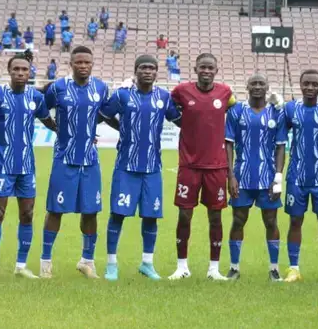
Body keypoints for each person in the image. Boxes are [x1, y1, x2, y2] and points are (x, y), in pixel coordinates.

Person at [99, 55, 182, 281]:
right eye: (143, 67)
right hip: (126, 167)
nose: (148, 71)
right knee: (118, 214)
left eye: (152, 68)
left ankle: (147, 263)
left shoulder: (163, 97)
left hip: (152, 168)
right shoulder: (122, 95)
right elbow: (103, 115)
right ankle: (111, 265)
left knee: (151, 216)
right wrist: (121, 127)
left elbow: (180, 120)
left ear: (156, 72)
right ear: (135, 71)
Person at [0, 54, 55, 279]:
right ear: (9, 71)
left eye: (25, 69)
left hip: (27, 166)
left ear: (30, 71)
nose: (21, 73)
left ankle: (21, 266)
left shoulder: (36, 98)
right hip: (2, 165)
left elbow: (49, 122)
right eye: (16, 69)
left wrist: (73, 135)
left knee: (28, 214)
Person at [40, 46, 110, 279]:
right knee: (55, 210)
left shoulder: (100, 88)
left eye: (87, 62)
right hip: (64, 159)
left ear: (92, 64)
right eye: (78, 62)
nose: (83, 66)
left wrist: (88, 130)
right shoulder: (58, 87)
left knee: (91, 211)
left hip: (90, 160)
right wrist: (55, 127)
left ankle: (87, 261)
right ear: (70, 64)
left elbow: (104, 113)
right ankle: (45, 262)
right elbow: (41, 108)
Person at [168, 53, 235, 281]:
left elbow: (236, 111)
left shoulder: (225, 92)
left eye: (210, 68)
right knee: (184, 215)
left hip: (216, 166)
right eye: (202, 67)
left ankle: (213, 269)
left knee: (215, 217)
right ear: (195, 69)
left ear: (216, 70)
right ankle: (182, 267)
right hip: (189, 165)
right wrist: (182, 122)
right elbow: (168, 108)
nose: (206, 71)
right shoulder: (181, 91)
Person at [280, 70, 318, 284]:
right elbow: (281, 134)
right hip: (296, 176)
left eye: (314, 84)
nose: (310, 87)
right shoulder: (291, 109)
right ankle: (294, 269)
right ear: (300, 85)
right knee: (295, 221)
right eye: (306, 83)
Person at [224, 73, 286, 281]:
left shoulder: (276, 113)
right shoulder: (236, 111)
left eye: (261, 84)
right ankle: (234, 268)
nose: (257, 87)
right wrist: (230, 175)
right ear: (247, 87)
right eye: (254, 84)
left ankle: (274, 269)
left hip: (267, 178)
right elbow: (228, 144)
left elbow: (280, 147)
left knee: (271, 221)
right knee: (238, 220)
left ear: (267, 88)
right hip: (242, 177)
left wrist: (278, 178)